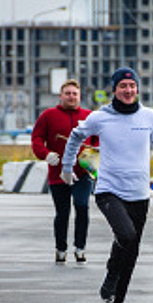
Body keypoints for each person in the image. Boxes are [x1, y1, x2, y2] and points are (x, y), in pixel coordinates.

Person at [60, 67, 153, 303]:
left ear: (137, 89)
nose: (128, 90)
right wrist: (66, 166)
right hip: (109, 190)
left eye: (132, 86)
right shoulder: (100, 117)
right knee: (126, 235)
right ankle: (110, 276)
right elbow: (75, 137)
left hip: (139, 194)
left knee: (130, 252)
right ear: (114, 89)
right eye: (123, 86)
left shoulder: (150, 116)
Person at [31, 79, 97, 265]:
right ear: (60, 96)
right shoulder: (48, 115)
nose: (71, 97)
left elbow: (98, 139)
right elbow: (36, 138)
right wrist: (45, 154)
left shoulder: (89, 116)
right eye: (67, 93)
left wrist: (94, 152)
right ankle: (61, 249)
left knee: (82, 206)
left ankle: (80, 248)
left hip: (83, 173)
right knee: (62, 212)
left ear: (79, 96)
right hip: (57, 174)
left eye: (74, 94)